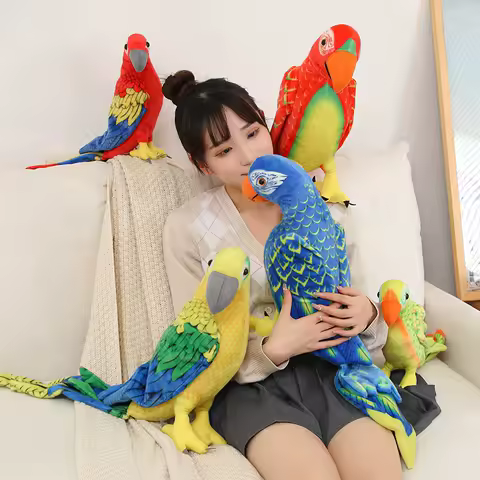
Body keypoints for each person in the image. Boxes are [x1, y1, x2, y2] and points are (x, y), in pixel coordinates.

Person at [161, 70, 439, 480]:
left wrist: (366, 314)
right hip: (252, 387)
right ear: (201, 163)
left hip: (335, 370)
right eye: (224, 150)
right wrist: (273, 348)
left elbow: (362, 305)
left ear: (266, 123)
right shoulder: (188, 228)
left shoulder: (318, 204)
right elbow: (198, 338)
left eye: (253, 133)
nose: (248, 155)